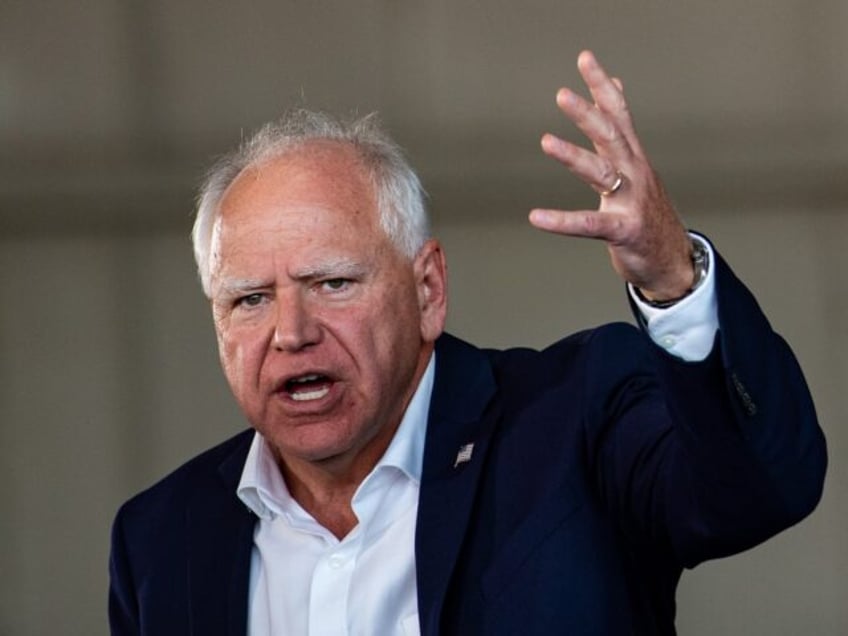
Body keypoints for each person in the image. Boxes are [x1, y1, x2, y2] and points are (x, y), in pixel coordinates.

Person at [108, 50, 826, 635]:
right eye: (250, 299)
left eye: (331, 283)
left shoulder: (574, 423)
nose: (291, 333)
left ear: (427, 290)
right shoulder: (162, 540)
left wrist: (673, 274)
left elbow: (763, 489)